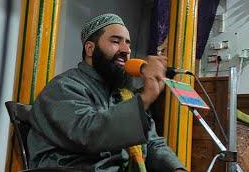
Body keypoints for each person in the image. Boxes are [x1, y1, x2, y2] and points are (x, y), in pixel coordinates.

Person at [27, 13, 186, 171]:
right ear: (90, 49)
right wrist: (144, 99)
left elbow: (151, 143)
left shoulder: (123, 94)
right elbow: (90, 133)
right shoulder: (63, 87)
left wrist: (177, 169)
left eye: (128, 44)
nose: (126, 50)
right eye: (116, 41)